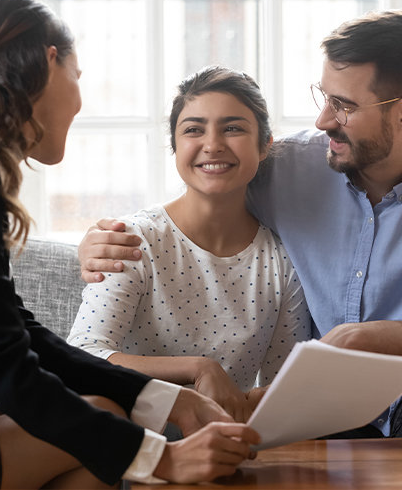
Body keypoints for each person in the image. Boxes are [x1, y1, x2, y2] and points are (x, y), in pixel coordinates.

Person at [78, 9, 402, 438]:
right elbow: (207, 186)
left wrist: (363, 339)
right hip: (318, 408)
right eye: (324, 96)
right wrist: (98, 238)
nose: (323, 120)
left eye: (344, 106)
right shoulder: (287, 167)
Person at [0, 0, 260, 490]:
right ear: (50, 62)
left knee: (105, 412)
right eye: (78, 77)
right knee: (110, 430)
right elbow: (8, 369)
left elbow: (26, 338)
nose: (81, 99)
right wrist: (165, 460)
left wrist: (169, 398)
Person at [66, 66, 311, 423]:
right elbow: (83, 354)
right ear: (175, 146)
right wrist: (198, 369)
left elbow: (280, 389)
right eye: (194, 130)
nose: (212, 144)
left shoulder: (282, 262)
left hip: (225, 445)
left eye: (233, 128)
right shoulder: (134, 240)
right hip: (122, 438)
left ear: (265, 146)